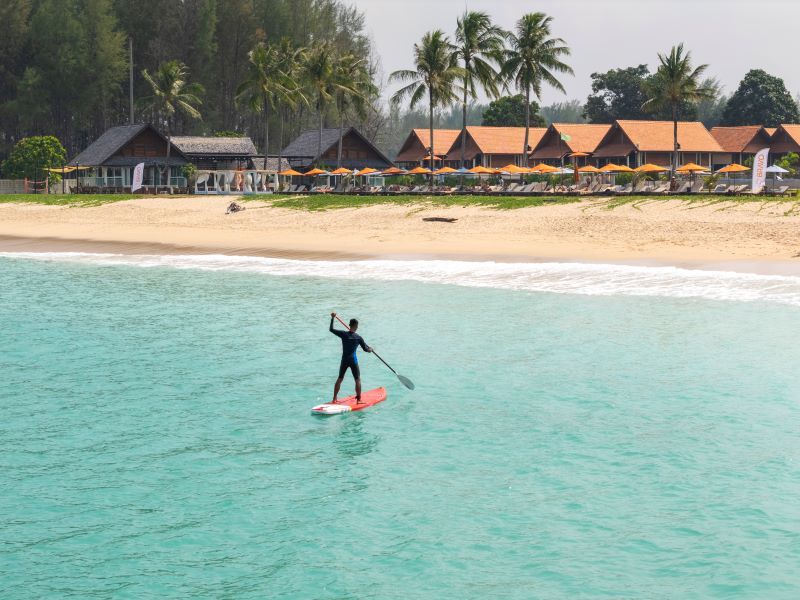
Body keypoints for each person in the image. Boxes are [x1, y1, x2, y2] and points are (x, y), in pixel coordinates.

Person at [329, 312, 372, 403]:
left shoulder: (343, 334)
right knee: (357, 379)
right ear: (355, 326)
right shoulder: (358, 337)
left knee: (340, 378)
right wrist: (370, 349)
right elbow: (365, 349)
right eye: (357, 326)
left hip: (344, 360)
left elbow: (331, 329)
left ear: (349, 325)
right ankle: (359, 399)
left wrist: (332, 318)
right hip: (353, 360)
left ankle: (334, 398)